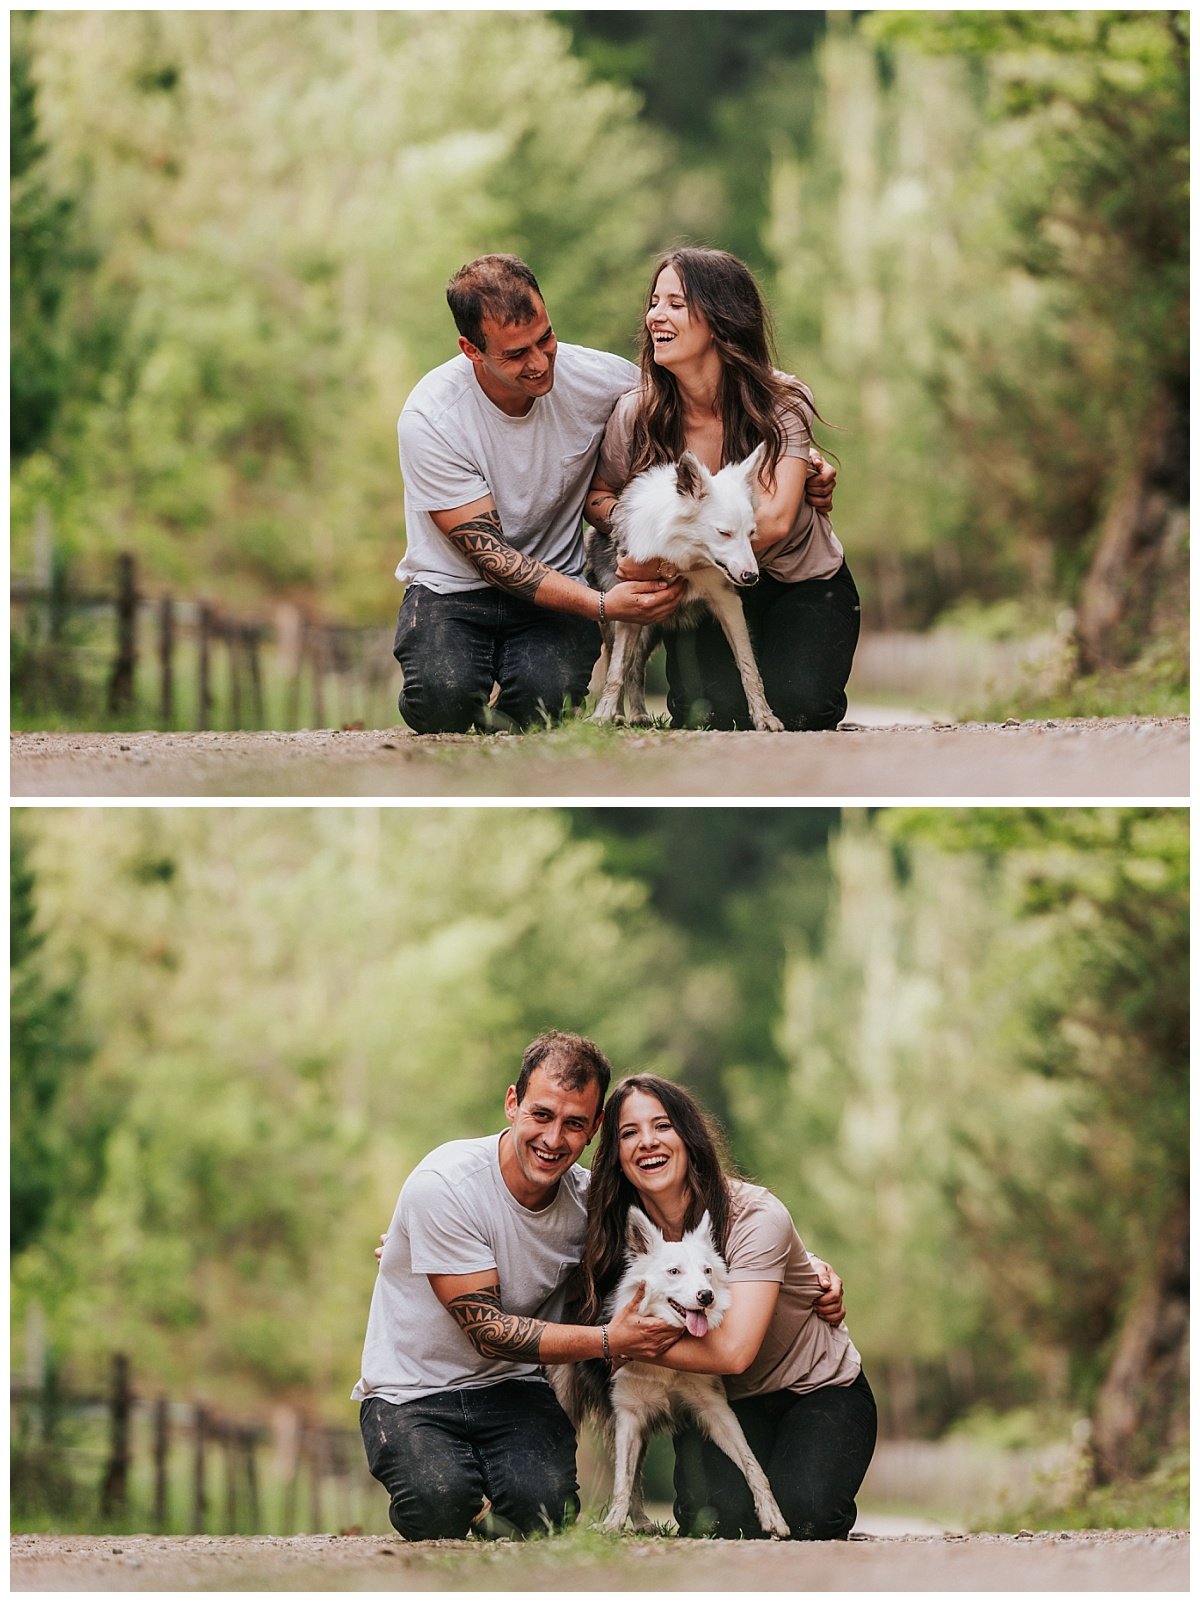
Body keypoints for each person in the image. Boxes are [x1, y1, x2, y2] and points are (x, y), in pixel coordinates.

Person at [353, 1030, 848, 1540]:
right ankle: (453, 1492)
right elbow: (488, 1330)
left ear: (594, 1129)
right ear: (512, 1103)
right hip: (413, 1390)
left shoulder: (589, 1202)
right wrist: (612, 1340)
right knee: (438, 1504)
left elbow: (703, 1247)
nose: (553, 1139)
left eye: (574, 1124)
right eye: (541, 1115)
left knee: (543, 1514)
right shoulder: (445, 1187)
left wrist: (809, 1264)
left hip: (511, 1388)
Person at [393, 253, 837, 732]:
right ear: (471, 350)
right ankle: (460, 683)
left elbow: (693, 389)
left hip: (556, 589)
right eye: (517, 354)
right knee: (443, 702)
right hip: (453, 589)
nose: (541, 363)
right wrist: (606, 603)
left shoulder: (603, 380)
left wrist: (805, 465)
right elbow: (492, 556)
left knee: (540, 709)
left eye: (546, 338)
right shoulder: (430, 420)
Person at [578, 1073, 877, 1541]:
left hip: (815, 1388)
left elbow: (734, 1352)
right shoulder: (613, 1225)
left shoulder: (754, 1215)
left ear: (689, 1136)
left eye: (662, 1126)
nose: (647, 1143)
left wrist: (623, 1345)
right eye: (628, 1132)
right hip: (723, 1400)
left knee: (807, 1515)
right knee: (714, 1519)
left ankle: (821, 1492)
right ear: (615, 1153)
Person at [587, 247, 861, 731]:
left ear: (720, 319)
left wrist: (666, 556)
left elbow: (774, 520)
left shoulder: (780, 401)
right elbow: (599, 496)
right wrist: (635, 541)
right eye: (654, 302)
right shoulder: (637, 411)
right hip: (699, 589)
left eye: (675, 303)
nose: (655, 316)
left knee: (803, 707)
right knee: (710, 714)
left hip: (796, 580)